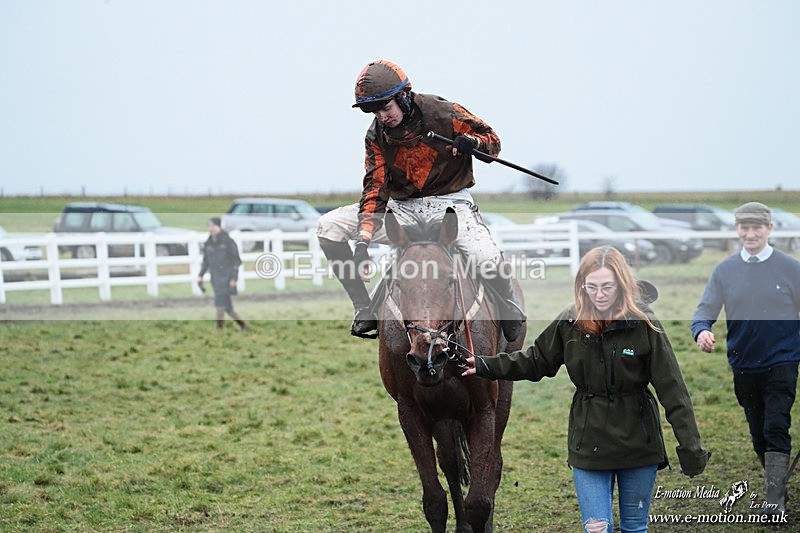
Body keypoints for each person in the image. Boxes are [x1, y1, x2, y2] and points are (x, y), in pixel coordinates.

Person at [461, 246, 710, 533]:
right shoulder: (570, 322)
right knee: (596, 528)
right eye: (591, 287)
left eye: (607, 287)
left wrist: (691, 447)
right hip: (588, 441)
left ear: (622, 284)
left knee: (634, 527)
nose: (599, 294)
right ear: (582, 286)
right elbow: (534, 361)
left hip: (640, 442)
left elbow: (673, 390)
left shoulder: (645, 323)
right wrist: (483, 365)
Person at [316, 59, 526, 340]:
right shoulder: (376, 135)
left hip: (450, 203)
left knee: (485, 256)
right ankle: (363, 308)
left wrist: (473, 144)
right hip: (402, 208)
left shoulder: (443, 111)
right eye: (374, 111)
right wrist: (363, 242)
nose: (381, 116)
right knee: (327, 226)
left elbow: (492, 141)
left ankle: (507, 305)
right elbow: (375, 188)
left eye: (385, 107)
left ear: (403, 96)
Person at [691, 201, 800, 514]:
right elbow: (705, 309)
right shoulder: (725, 270)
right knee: (758, 432)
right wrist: (701, 331)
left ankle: (774, 499)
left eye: (757, 227)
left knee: (775, 426)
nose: (750, 233)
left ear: (769, 229)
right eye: (744, 227)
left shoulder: (790, 267)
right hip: (744, 363)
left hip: (783, 359)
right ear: (737, 230)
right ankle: (774, 479)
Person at [197, 217, 248, 331]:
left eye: (213, 226)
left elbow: (236, 261)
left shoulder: (228, 241)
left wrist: (234, 278)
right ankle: (243, 325)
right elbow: (206, 261)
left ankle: (219, 328)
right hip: (215, 277)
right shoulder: (208, 243)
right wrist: (200, 275)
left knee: (220, 301)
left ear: (218, 226)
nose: (211, 229)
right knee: (227, 305)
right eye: (209, 226)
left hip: (227, 276)